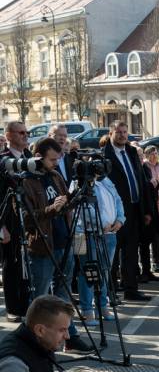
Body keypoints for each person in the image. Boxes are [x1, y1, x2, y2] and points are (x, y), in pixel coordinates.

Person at [21, 138, 92, 354]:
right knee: (40, 300)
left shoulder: (55, 176)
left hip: (64, 241)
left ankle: (69, 337)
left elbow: (65, 203)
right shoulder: (27, 181)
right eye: (53, 159)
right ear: (39, 157)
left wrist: (76, 198)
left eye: (58, 158)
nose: (56, 162)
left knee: (64, 296)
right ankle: (32, 344)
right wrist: (52, 209)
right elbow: (25, 219)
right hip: (43, 246)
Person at [103, 120, 152, 302]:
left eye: (125, 132)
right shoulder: (104, 156)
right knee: (113, 255)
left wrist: (146, 210)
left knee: (131, 253)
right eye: (119, 132)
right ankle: (110, 292)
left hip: (134, 210)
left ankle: (131, 289)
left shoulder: (131, 152)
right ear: (111, 134)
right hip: (115, 213)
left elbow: (141, 181)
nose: (123, 135)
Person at [75, 159, 125, 326]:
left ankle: (102, 306)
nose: (99, 169)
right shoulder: (79, 184)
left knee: (104, 271)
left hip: (110, 234)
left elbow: (118, 199)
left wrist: (120, 219)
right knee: (88, 272)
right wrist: (101, 224)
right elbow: (79, 209)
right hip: (87, 235)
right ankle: (87, 311)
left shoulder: (106, 181)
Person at [0, 121, 33, 322]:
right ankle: (13, 308)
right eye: (21, 132)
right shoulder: (3, 161)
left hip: (31, 218)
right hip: (10, 219)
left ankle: (29, 304)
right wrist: (1, 226)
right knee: (12, 263)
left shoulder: (30, 158)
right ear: (9, 135)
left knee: (29, 264)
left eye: (26, 132)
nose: (25, 135)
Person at [138, 146, 159, 283]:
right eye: (140, 156)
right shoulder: (140, 169)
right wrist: (150, 184)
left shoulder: (145, 169)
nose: (141, 158)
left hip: (152, 209)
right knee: (142, 244)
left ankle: (147, 270)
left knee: (151, 240)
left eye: (142, 156)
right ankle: (140, 271)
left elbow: (155, 187)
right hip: (141, 212)